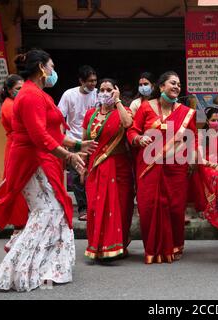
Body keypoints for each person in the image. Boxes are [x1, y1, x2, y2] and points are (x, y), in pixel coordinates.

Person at [0, 49, 97, 291]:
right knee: (47, 212)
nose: (54, 71)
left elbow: (51, 132)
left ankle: (45, 268)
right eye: (51, 67)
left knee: (54, 212)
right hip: (30, 162)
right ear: (42, 68)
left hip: (40, 160)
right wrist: (70, 156)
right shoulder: (31, 96)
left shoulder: (38, 94)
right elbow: (39, 136)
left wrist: (77, 144)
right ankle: (16, 269)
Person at [127, 71, 196, 264]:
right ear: (161, 86)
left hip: (176, 167)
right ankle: (153, 248)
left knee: (175, 207)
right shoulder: (146, 108)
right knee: (148, 207)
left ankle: (174, 245)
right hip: (149, 165)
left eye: (179, 85)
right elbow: (132, 129)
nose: (176, 87)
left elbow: (193, 137)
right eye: (173, 83)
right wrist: (138, 138)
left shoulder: (185, 112)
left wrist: (192, 157)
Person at [81, 78, 134, 260]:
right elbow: (84, 143)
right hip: (95, 167)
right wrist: (82, 166)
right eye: (102, 89)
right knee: (96, 207)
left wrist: (118, 101)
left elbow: (128, 124)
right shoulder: (90, 115)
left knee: (119, 207)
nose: (104, 92)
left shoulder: (123, 111)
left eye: (109, 89)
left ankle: (117, 247)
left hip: (119, 168)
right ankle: (97, 247)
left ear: (115, 91)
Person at [58, 65, 98, 221]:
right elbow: (60, 117)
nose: (93, 84)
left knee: (93, 174)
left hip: (93, 141)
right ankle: (83, 208)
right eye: (89, 81)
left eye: (95, 81)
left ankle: (95, 206)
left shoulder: (98, 95)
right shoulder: (69, 95)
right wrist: (62, 139)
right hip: (74, 141)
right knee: (76, 177)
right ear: (81, 81)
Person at [194, 107, 218, 233]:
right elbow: (199, 158)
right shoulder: (202, 135)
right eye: (213, 120)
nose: (216, 122)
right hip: (208, 165)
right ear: (207, 121)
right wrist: (215, 166)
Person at [0, 74, 24, 178]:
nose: (22, 91)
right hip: (17, 147)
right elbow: (22, 127)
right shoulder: (9, 106)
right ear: (9, 90)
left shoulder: (15, 103)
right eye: (18, 88)